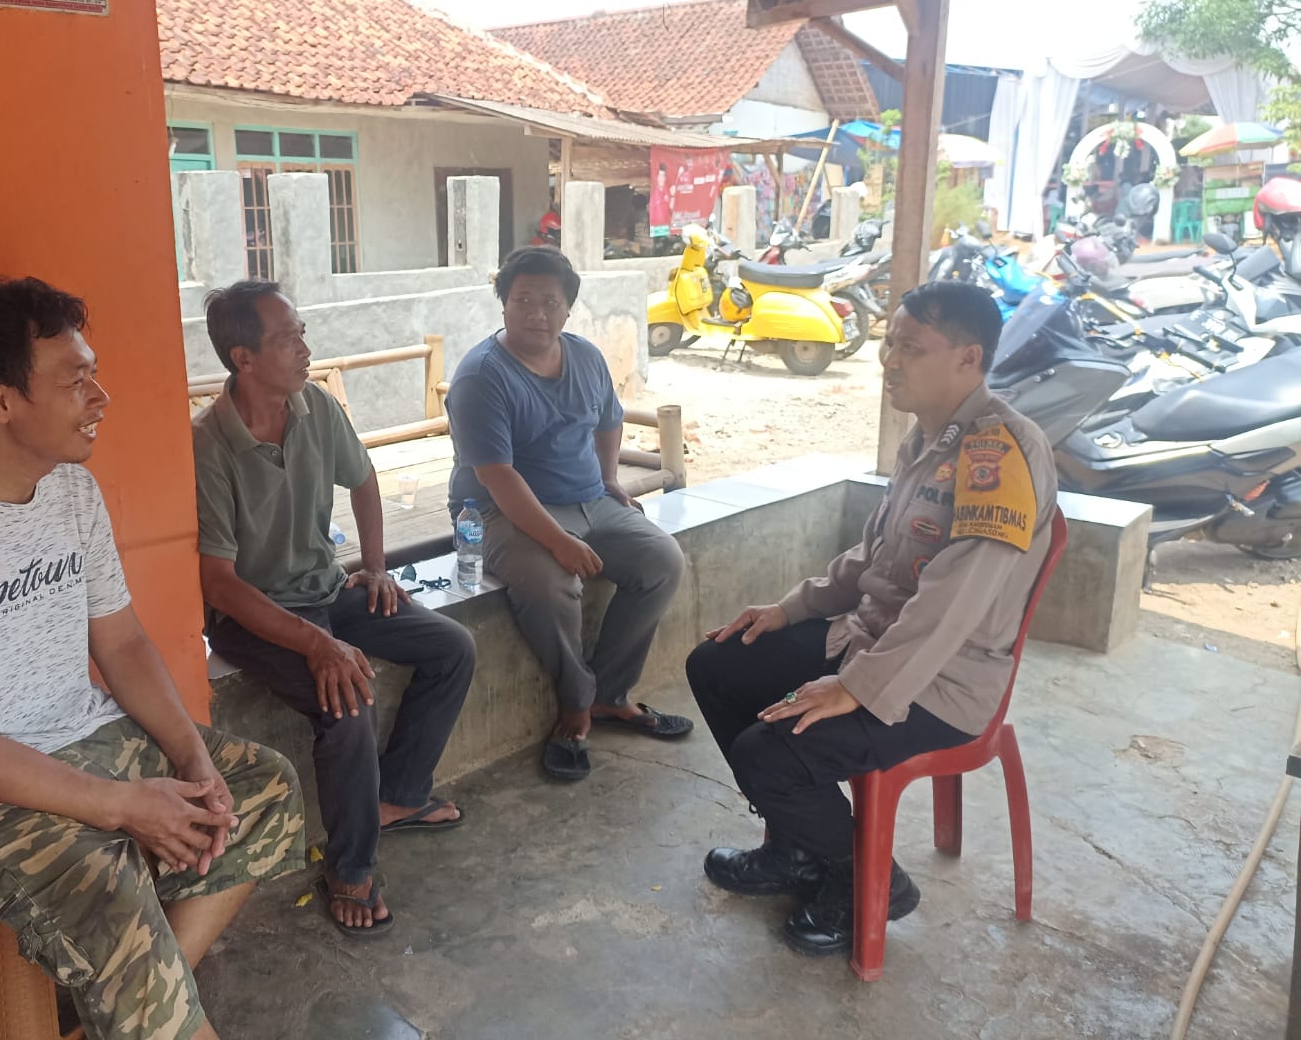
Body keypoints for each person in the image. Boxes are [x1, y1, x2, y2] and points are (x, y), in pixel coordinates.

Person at [0, 277, 304, 1040]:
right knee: (107, 880)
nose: (100, 396)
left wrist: (192, 755)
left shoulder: (71, 491)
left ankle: (146, 1008)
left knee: (260, 787)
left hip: (79, 734)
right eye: (75, 379)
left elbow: (121, 641)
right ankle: (155, 1014)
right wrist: (121, 805)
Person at [687, 281, 1056, 958]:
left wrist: (856, 686)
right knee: (718, 664)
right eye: (889, 343)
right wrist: (789, 609)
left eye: (910, 348)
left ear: (968, 358)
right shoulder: (928, 440)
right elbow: (874, 559)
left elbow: (954, 603)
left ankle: (869, 879)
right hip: (868, 640)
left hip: (939, 682)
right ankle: (801, 849)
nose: (889, 360)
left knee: (768, 752)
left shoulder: (999, 453)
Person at [194, 281, 476, 939]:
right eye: (287, 338)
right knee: (348, 704)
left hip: (328, 590)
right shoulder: (208, 444)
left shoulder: (315, 405)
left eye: (302, 333)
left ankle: (398, 795)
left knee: (451, 647)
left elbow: (365, 479)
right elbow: (220, 584)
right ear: (243, 357)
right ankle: (349, 868)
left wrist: (375, 567)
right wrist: (317, 645)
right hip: (254, 616)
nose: (305, 349)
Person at [445, 247, 691, 782]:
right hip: (498, 510)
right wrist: (558, 541)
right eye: (522, 300)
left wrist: (608, 478)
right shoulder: (481, 378)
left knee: (662, 560)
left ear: (568, 308)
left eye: (549, 302)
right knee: (550, 583)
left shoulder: (585, 357)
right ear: (504, 305)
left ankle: (610, 694)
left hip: (589, 497)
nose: (535, 313)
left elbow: (608, 421)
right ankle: (576, 703)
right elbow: (497, 477)